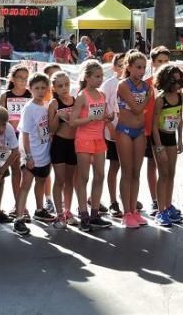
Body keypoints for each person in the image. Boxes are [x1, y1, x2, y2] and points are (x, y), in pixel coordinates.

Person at [70, 59, 112, 232]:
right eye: (96, 76)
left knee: (100, 175)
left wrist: (106, 117)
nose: (100, 79)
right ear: (87, 77)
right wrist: (90, 118)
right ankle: (83, 213)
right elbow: (73, 121)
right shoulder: (82, 96)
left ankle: (95, 213)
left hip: (99, 139)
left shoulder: (101, 95)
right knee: (84, 177)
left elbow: (103, 114)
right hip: (84, 139)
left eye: (101, 76)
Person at [13, 73, 54, 236]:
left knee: (41, 182)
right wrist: (28, 156)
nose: (40, 91)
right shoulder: (29, 108)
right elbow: (25, 134)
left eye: (43, 87)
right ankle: (19, 218)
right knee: (25, 186)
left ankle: (40, 209)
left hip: (45, 154)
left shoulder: (46, 105)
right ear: (30, 89)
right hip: (32, 155)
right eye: (37, 88)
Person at [115, 50, 151, 228]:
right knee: (126, 172)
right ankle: (126, 212)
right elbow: (137, 109)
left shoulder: (145, 86)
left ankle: (134, 210)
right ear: (128, 67)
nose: (141, 71)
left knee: (137, 172)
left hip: (140, 130)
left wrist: (148, 94)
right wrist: (149, 97)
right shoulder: (123, 85)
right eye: (138, 67)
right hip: (124, 130)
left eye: (144, 67)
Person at [150, 65, 183, 227]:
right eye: (174, 80)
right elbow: (153, 126)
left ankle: (168, 205)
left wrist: (180, 140)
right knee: (163, 174)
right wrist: (159, 147)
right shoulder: (160, 99)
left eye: (180, 80)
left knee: (171, 173)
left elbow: (179, 119)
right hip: (160, 138)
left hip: (171, 137)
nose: (178, 84)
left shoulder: (180, 97)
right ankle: (160, 210)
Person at [0, 64, 32, 214]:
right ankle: (17, 204)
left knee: (26, 171)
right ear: (13, 79)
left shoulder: (30, 95)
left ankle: (22, 204)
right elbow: (0, 118)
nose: (24, 81)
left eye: (26, 78)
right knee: (15, 171)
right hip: (11, 136)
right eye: (20, 78)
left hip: (26, 137)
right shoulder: (5, 96)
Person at [143, 46, 171, 216]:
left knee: (166, 167)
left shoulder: (172, 85)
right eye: (159, 61)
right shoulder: (146, 84)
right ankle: (155, 200)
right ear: (152, 63)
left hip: (166, 130)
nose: (163, 64)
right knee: (152, 164)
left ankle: (165, 202)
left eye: (166, 61)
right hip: (148, 130)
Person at [48, 71, 77, 229]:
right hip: (59, 144)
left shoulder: (76, 100)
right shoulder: (54, 103)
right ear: (54, 87)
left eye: (66, 84)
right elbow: (51, 129)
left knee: (69, 181)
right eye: (60, 86)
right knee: (59, 179)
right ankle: (59, 214)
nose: (64, 88)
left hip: (74, 144)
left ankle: (68, 211)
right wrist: (58, 116)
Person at [100, 52, 125, 218]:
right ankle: (113, 201)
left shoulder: (135, 84)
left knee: (130, 168)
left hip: (131, 132)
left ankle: (128, 198)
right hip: (113, 133)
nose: (124, 67)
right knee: (114, 166)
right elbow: (101, 108)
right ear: (114, 67)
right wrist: (110, 127)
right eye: (121, 64)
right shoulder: (108, 85)